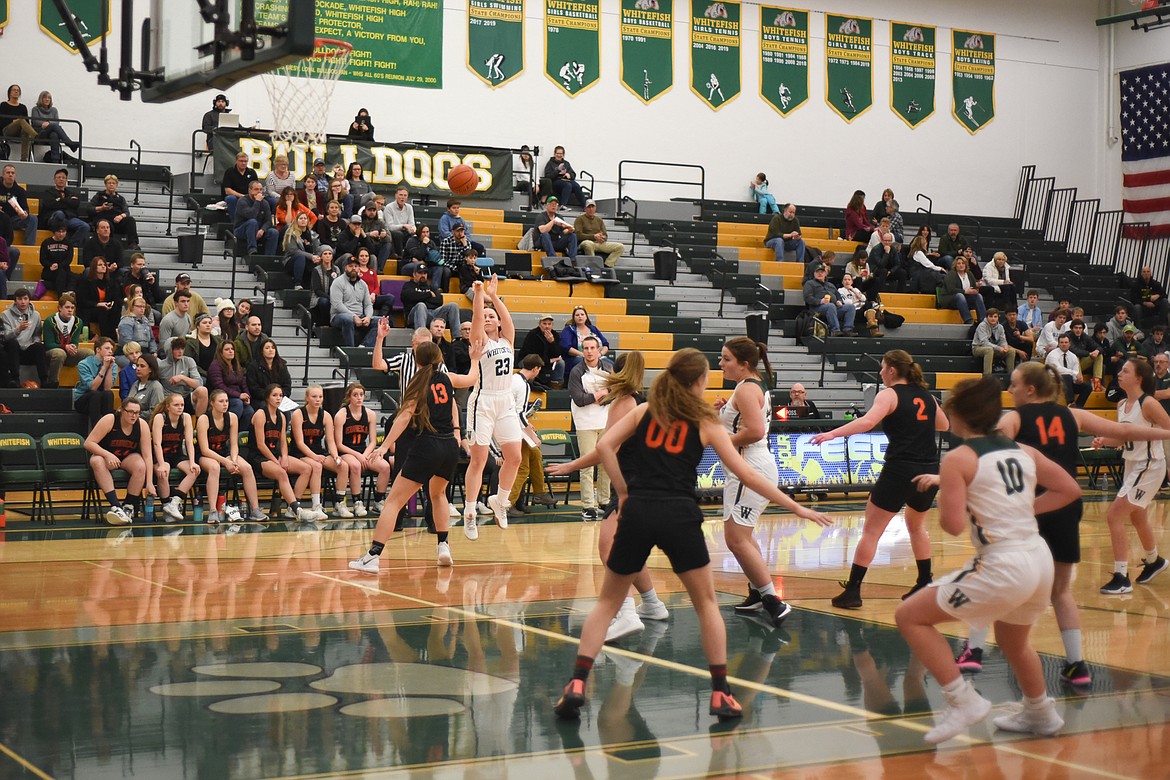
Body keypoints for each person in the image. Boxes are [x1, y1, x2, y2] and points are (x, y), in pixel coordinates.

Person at [552, 348, 832, 722]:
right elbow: (749, 475)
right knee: (706, 606)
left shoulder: (643, 409)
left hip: (638, 509)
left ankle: (576, 683)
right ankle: (720, 693)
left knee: (606, 604)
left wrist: (622, 492)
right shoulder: (704, 421)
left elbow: (605, 446)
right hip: (678, 514)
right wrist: (796, 506)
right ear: (699, 382)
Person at [951, 361, 1170, 686]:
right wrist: (1167, 432)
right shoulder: (1072, 415)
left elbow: (994, 449)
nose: (1010, 391)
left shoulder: (1014, 417)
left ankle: (974, 650)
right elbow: (1123, 432)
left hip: (1028, 507)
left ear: (1030, 389)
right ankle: (1077, 665)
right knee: (1061, 592)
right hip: (1067, 504)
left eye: (1014, 385)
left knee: (994, 577)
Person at [893, 375, 1080, 744]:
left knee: (910, 616)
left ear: (959, 416)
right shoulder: (1020, 449)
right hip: (1038, 556)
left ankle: (962, 701)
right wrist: (1024, 508)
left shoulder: (958, 459)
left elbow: (952, 525)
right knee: (1014, 642)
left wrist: (954, 489)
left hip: (1005, 561)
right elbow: (1068, 489)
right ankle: (1041, 712)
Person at [549, 351, 672, 640]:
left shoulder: (622, 404)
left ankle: (626, 612)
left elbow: (604, 449)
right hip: (647, 482)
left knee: (610, 551)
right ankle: (653, 604)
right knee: (628, 550)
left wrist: (571, 464)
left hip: (629, 485)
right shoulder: (641, 401)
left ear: (612, 373)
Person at [811, 350, 949, 608]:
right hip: (930, 470)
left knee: (871, 532)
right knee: (917, 526)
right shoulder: (927, 396)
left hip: (900, 469)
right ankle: (924, 582)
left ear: (893, 370)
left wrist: (832, 434)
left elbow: (867, 422)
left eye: (883, 368)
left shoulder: (889, 394)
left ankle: (852, 591)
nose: (881, 373)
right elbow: (943, 425)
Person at [350, 341, 472, 573]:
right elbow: (473, 377)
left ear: (417, 361)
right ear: (439, 358)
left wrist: (384, 446)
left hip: (428, 445)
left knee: (394, 502)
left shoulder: (418, 383)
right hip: (449, 447)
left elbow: (404, 417)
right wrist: (475, 358)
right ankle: (443, 546)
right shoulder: (449, 378)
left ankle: (372, 556)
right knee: (438, 495)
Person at [716, 338, 807, 626]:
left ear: (744, 364)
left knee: (735, 538)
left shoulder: (746, 389)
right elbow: (748, 421)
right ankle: (757, 592)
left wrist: (722, 441)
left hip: (750, 464)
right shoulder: (753, 385)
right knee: (743, 536)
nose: (721, 363)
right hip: (752, 464)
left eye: (726, 359)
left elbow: (755, 431)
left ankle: (772, 600)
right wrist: (723, 412)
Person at [1094, 358, 1170, 595]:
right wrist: (1104, 440)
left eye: (1125, 371)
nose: (1119, 373)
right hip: (1132, 465)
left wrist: (1147, 434)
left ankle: (1121, 576)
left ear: (1138, 378)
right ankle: (1154, 560)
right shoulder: (1121, 404)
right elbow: (1122, 437)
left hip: (1150, 465)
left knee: (1114, 515)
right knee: (1137, 517)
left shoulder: (1148, 403)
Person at [459, 278, 524, 535]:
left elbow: (508, 321)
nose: (487, 317)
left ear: (497, 321)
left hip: (505, 400)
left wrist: (494, 297)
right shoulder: (480, 341)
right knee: (479, 459)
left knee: (515, 457)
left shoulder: (507, 341)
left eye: (491, 315)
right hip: (482, 401)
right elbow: (475, 318)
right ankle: (470, 511)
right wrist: (478, 295)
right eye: (484, 315)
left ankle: (499, 500)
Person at [250, 384, 322, 523]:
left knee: (307, 468)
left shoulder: (281, 416)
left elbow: (283, 441)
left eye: (280, 395)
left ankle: (293, 507)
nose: (278, 398)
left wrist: (283, 457)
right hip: (259, 456)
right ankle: (297, 510)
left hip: (275, 455)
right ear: (267, 397)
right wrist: (276, 461)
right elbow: (260, 444)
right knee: (282, 473)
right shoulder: (260, 414)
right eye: (275, 395)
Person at [196, 389, 268, 524]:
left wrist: (234, 461)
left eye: (227, 401)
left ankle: (255, 510)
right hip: (206, 455)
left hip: (224, 453)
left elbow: (234, 445)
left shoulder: (232, 417)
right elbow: (204, 449)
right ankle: (212, 511)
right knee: (214, 467)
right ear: (212, 403)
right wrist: (225, 462)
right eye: (221, 401)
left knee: (246, 467)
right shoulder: (204, 419)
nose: (225, 404)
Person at [85, 396, 154, 526]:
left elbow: (148, 455)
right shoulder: (110, 419)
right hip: (106, 457)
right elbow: (89, 443)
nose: (134, 416)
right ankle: (116, 507)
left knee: (140, 465)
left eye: (137, 413)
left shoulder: (142, 425)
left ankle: (128, 507)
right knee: (96, 461)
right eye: (130, 412)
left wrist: (149, 483)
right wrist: (107, 454)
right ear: (121, 410)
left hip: (126, 458)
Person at [505, 354, 558, 519]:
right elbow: (519, 413)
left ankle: (539, 492)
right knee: (523, 468)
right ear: (535, 369)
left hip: (512, 425)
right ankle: (506, 504)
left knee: (535, 454)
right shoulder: (523, 385)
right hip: (513, 428)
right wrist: (531, 433)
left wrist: (527, 426)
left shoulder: (514, 379)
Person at [569, 335, 614, 521]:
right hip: (585, 423)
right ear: (582, 350)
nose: (589, 351)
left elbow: (614, 393)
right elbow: (579, 400)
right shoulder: (576, 372)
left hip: (606, 421)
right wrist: (600, 394)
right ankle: (588, 505)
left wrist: (597, 397)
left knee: (606, 464)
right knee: (587, 465)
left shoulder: (609, 369)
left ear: (599, 350)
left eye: (592, 348)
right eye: (585, 348)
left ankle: (604, 501)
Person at [291, 384, 352, 519]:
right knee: (317, 466)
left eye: (320, 397)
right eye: (314, 397)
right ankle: (316, 505)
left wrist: (335, 455)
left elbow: (330, 441)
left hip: (319, 452)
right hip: (301, 453)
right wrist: (314, 456)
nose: (318, 400)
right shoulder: (298, 414)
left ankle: (339, 504)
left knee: (343, 465)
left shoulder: (326, 416)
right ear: (307, 398)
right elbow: (300, 443)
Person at [334, 382, 392, 518]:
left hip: (363, 451)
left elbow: (373, 441)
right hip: (347, 451)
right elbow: (339, 444)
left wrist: (365, 455)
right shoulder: (341, 415)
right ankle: (357, 502)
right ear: (349, 397)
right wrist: (359, 456)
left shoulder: (370, 414)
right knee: (355, 465)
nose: (359, 398)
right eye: (355, 395)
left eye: (361, 395)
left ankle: (378, 501)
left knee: (385, 467)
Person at [151, 393, 201, 523]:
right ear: (168, 407)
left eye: (182, 405)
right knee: (163, 472)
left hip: (176, 454)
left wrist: (192, 462)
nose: (180, 407)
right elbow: (156, 443)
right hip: (161, 453)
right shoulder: (160, 418)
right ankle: (166, 505)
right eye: (176, 405)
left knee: (194, 470)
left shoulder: (186, 418)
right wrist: (161, 463)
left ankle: (175, 502)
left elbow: (189, 442)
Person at [0, 287, 49, 387]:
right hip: (12, 350)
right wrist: (18, 330)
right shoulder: (6, 315)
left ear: (29, 300)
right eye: (20, 299)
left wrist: (35, 342)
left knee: (39, 346)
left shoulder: (36, 315)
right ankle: (15, 379)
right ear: (15, 301)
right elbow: (5, 337)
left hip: (28, 349)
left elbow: (37, 334)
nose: (23, 302)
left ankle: (44, 381)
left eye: (25, 299)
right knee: (12, 343)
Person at [329, 253, 380, 348]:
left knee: (380, 322)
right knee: (348, 320)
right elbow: (337, 304)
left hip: (360, 316)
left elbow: (368, 304)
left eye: (356, 266)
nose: (353, 268)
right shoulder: (338, 282)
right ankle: (350, 350)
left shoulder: (363, 284)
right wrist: (353, 316)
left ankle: (364, 346)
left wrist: (368, 317)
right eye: (350, 266)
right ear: (345, 268)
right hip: (339, 316)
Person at [44, 293, 92, 389]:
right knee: (60, 353)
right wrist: (65, 347)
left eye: (72, 308)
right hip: (53, 352)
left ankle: (87, 382)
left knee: (89, 353)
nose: (70, 310)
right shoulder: (50, 321)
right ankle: (52, 382)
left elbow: (74, 341)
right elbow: (48, 344)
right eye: (67, 307)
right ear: (60, 308)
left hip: (68, 352)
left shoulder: (78, 322)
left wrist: (73, 347)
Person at [401, 264, 462, 330]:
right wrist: (429, 294)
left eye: (425, 273)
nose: (423, 275)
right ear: (414, 274)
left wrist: (419, 297)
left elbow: (439, 301)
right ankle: (422, 336)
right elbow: (408, 297)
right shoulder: (408, 285)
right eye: (420, 273)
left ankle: (457, 337)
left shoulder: (431, 286)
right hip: (415, 315)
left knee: (453, 306)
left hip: (432, 314)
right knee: (421, 305)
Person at [207, 340, 252, 425]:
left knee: (249, 411)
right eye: (227, 349)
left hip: (237, 396)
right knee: (238, 404)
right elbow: (219, 386)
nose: (231, 351)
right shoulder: (215, 366)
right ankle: (227, 429)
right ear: (221, 352)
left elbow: (243, 383)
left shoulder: (236, 365)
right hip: (222, 396)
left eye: (232, 349)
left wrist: (247, 396)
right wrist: (239, 395)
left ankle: (240, 434)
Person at [803, 263, 856, 336]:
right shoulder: (809, 284)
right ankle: (835, 330)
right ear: (814, 274)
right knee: (830, 306)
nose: (820, 274)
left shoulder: (830, 285)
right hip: (817, 308)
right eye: (817, 272)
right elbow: (807, 297)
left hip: (834, 308)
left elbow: (838, 296)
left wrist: (839, 301)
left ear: (825, 274)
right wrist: (820, 301)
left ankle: (848, 330)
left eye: (822, 272)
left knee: (850, 307)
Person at [74, 337, 117, 425]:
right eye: (107, 348)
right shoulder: (84, 364)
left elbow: (107, 388)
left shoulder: (114, 365)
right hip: (84, 399)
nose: (110, 351)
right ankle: (96, 430)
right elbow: (93, 387)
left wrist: (109, 368)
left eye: (111, 349)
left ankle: (109, 428)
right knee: (95, 394)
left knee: (109, 394)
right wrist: (104, 368)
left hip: (101, 399)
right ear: (98, 349)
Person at [159, 337, 207, 416]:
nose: (180, 351)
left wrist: (182, 378)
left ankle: (199, 424)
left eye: (182, 348)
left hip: (185, 396)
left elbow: (199, 383)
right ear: (169, 350)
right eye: (177, 349)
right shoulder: (160, 365)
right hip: (168, 398)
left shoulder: (189, 361)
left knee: (203, 391)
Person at [90, 175, 140, 250]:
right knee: (107, 225)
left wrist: (121, 216)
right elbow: (89, 209)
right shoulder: (99, 196)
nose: (111, 184)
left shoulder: (120, 198)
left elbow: (126, 212)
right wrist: (101, 208)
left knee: (130, 220)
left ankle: (133, 244)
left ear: (116, 185)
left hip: (117, 220)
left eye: (113, 183)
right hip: (104, 219)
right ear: (105, 184)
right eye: (109, 183)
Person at [43, 168, 89, 247]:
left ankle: (71, 245)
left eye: (63, 178)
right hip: (53, 218)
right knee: (59, 213)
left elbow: (75, 204)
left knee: (85, 226)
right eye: (59, 177)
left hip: (69, 218)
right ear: (54, 179)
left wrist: (60, 200)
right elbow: (50, 204)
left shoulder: (71, 193)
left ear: (66, 180)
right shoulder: (48, 192)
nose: (61, 179)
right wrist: (68, 201)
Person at [560, 305, 610, 375]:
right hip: (577, 357)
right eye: (577, 315)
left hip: (597, 357)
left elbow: (605, 344)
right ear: (574, 318)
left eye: (582, 314)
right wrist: (583, 354)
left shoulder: (593, 328)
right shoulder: (569, 329)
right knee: (586, 364)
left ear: (586, 317)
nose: (580, 316)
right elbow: (566, 347)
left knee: (610, 364)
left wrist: (600, 354)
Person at [575, 200, 626, 268]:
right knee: (588, 244)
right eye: (589, 207)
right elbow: (578, 235)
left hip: (598, 243)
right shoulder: (579, 219)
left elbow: (605, 234)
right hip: (585, 242)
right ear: (585, 209)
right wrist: (593, 236)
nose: (591, 209)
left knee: (620, 246)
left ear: (595, 208)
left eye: (593, 207)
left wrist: (603, 237)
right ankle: (593, 266)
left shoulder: (599, 220)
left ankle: (608, 265)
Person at [518, 314, 565, 389]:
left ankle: (555, 389)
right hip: (529, 360)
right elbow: (530, 355)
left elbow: (557, 354)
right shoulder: (533, 334)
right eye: (544, 324)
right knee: (531, 363)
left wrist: (552, 342)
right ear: (539, 324)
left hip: (547, 362)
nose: (547, 326)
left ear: (552, 325)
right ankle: (529, 386)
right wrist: (548, 361)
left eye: (549, 324)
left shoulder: (555, 335)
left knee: (560, 363)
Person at [1045, 333, 1092, 407]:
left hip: (1068, 383)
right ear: (1058, 344)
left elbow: (1075, 371)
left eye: (1066, 342)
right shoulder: (1052, 355)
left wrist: (1077, 379)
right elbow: (1058, 370)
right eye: (1062, 342)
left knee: (1087, 387)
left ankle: (1078, 406)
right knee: (1067, 376)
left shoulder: (1073, 356)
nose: (1064, 344)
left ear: (1069, 344)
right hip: (1053, 381)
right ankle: (1070, 402)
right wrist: (1074, 374)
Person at [234, 180, 278, 256]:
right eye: (256, 189)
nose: (259, 192)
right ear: (250, 190)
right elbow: (251, 215)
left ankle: (269, 257)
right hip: (241, 230)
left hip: (258, 230)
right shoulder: (242, 201)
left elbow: (269, 220)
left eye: (261, 189)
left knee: (273, 232)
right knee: (252, 222)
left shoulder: (265, 203)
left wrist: (262, 229)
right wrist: (257, 201)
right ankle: (252, 250)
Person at [31, 91, 78, 160]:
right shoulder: (35, 109)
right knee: (54, 126)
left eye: (49, 98)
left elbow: (57, 122)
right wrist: (43, 124)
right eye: (45, 97)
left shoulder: (54, 110)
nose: (47, 99)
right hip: (40, 133)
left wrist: (48, 123)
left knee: (54, 134)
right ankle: (69, 143)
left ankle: (55, 159)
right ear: (41, 99)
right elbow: (35, 121)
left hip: (50, 135)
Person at [0, 163, 37, 246]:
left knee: (33, 219)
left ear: (15, 176)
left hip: (14, 219)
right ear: (3, 175)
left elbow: (25, 208)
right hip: (1, 219)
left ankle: (29, 247)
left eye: (12, 173)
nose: (10, 175)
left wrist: (24, 213)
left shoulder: (20, 191)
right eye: (8, 173)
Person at [942, 256, 986, 325]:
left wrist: (975, 290)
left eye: (963, 263)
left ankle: (983, 320)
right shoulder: (951, 274)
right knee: (960, 296)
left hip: (966, 299)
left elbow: (973, 286)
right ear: (955, 265)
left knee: (978, 296)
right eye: (958, 263)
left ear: (966, 265)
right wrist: (965, 291)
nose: (961, 265)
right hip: (951, 299)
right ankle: (968, 320)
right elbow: (951, 289)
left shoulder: (969, 274)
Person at [534, 196, 578, 264]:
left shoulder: (559, 217)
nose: (554, 206)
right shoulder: (541, 216)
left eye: (556, 204)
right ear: (546, 205)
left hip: (555, 242)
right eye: (552, 204)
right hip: (542, 242)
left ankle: (573, 261)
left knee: (572, 236)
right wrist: (553, 221)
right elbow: (543, 230)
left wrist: (570, 230)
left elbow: (564, 231)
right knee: (545, 235)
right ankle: (553, 259)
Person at [971, 308, 1015, 376]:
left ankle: (1011, 376)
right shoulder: (982, 326)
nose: (993, 319)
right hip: (978, 347)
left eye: (995, 317)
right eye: (991, 316)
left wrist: (1005, 346)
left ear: (998, 317)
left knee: (1011, 351)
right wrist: (998, 348)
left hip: (994, 348)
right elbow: (984, 342)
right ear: (987, 317)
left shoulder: (1000, 327)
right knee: (989, 350)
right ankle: (987, 376)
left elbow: (1002, 340)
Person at [40, 220, 78, 297]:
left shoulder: (68, 243)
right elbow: (42, 259)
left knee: (76, 277)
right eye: (59, 232)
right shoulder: (46, 243)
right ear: (54, 232)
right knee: (61, 274)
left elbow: (69, 259)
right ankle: (62, 296)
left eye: (63, 232)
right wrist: (50, 265)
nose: (61, 234)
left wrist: (59, 265)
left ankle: (68, 292)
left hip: (64, 269)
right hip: (49, 270)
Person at [0, 85, 38, 162]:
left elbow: (26, 123)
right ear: (9, 93)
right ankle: (35, 136)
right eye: (14, 90)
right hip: (7, 130)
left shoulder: (23, 107)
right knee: (20, 120)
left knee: (25, 131)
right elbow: (1, 121)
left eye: (18, 90)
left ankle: (24, 159)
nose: (16, 91)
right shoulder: (3, 105)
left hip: (19, 132)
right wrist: (13, 121)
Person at [117, 296, 157, 364]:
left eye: (143, 307)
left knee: (157, 364)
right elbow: (127, 342)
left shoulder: (146, 321)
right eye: (139, 306)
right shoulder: (126, 321)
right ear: (132, 307)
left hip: (145, 352)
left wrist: (153, 351)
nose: (142, 309)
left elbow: (152, 339)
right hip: (129, 354)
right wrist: (137, 354)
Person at [221, 150, 258, 220]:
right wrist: (242, 196)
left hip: (248, 197)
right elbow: (227, 190)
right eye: (241, 161)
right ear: (236, 161)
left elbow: (256, 188)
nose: (243, 163)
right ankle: (235, 222)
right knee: (231, 198)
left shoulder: (252, 172)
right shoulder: (229, 172)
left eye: (245, 161)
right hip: (234, 197)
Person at [383, 186, 416, 259]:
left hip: (405, 231)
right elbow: (390, 226)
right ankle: (400, 256)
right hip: (392, 232)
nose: (403, 197)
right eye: (401, 195)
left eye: (405, 195)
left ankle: (411, 256)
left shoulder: (409, 207)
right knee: (398, 234)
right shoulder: (389, 207)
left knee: (415, 235)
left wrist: (412, 229)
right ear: (396, 196)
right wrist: (403, 225)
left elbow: (412, 224)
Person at [158, 290, 193, 359]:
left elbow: (188, 337)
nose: (186, 304)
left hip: (183, 353)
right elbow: (163, 345)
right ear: (175, 303)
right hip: (169, 356)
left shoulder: (188, 317)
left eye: (188, 301)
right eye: (183, 301)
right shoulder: (168, 320)